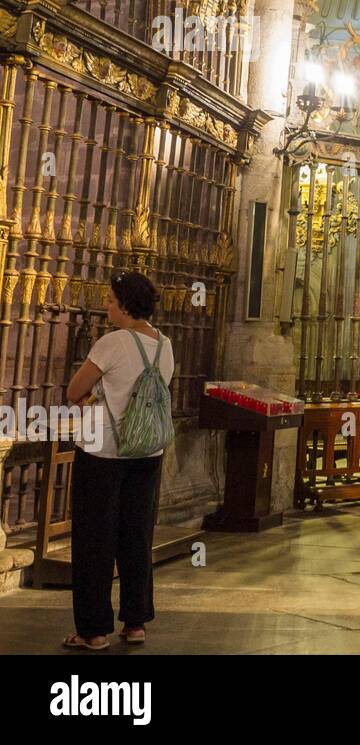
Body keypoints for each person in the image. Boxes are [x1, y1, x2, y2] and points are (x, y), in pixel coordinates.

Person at [62, 271, 174, 650]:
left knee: (95, 539)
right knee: (136, 536)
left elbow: (74, 390)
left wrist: (94, 399)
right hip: (148, 451)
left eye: (111, 299)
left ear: (125, 304)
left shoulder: (112, 343)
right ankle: (136, 621)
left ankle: (93, 630)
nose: (107, 304)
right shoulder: (165, 345)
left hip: (104, 452)